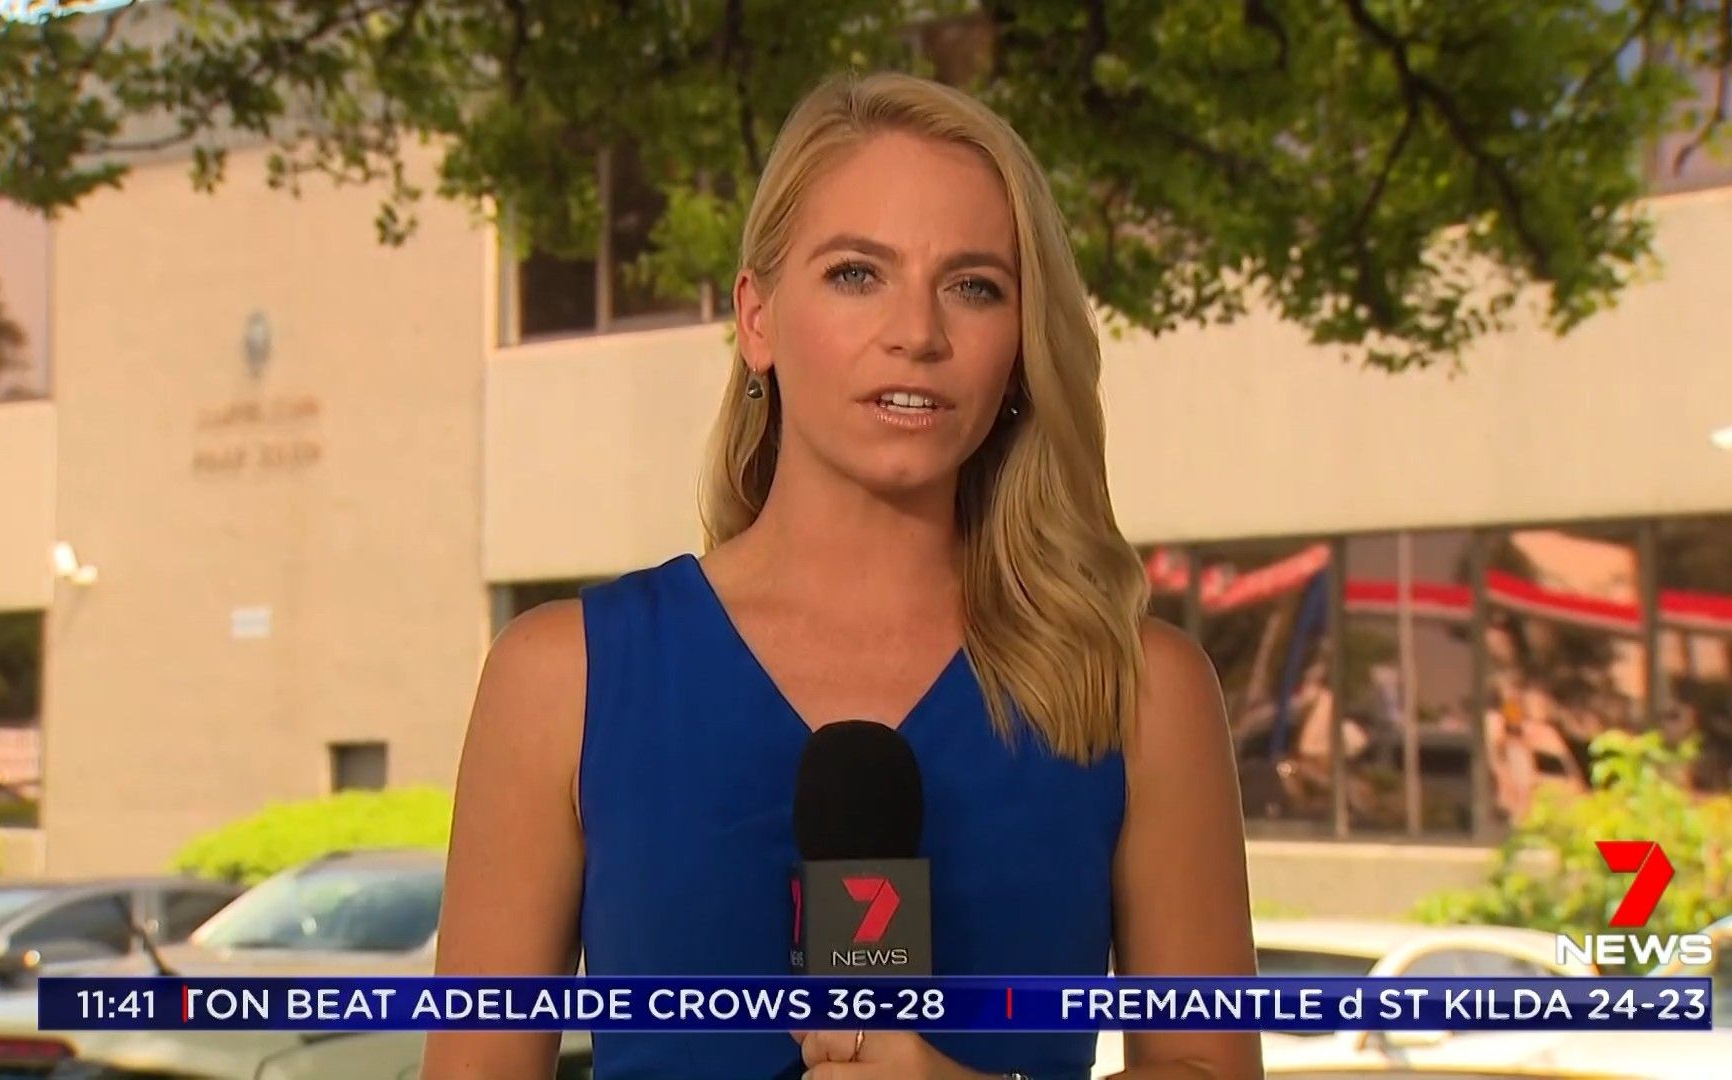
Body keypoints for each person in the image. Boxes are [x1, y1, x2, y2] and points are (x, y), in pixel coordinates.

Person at [422, 71, 1261, 1080]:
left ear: (1020, 346)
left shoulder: (1141, 691)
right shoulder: (562, 678)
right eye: (858, 274)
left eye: (974, 286)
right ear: (757, 319)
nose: (918, 333)